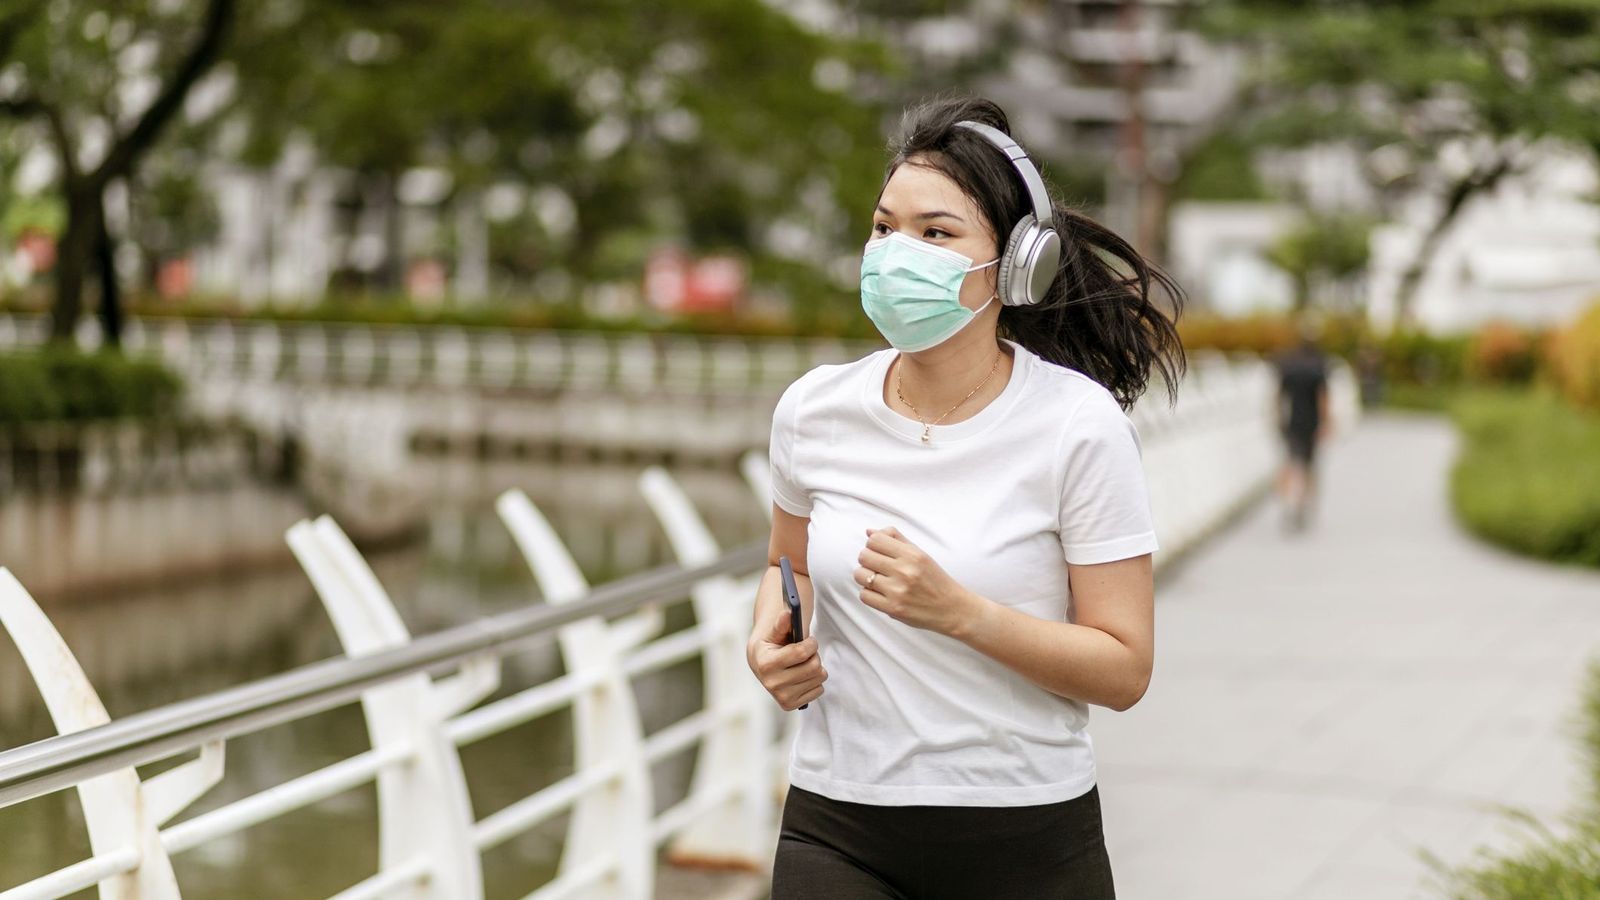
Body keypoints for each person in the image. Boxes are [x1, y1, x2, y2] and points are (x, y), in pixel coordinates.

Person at [745, 96, 1185, 900]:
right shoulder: (814, 410)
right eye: (884, 228)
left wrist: (960, 613)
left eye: (936, 233)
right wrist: (767, 642)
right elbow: (790, 564)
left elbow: (1124, 669)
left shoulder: (1075, 425)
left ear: (1017, 266)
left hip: (1025, 837)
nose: (895, 254)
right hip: (836, 821)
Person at [1273, 323, 1330, 532]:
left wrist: (1278, 418)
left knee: (1290, 462)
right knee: (1308, 466)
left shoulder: (1289, 365)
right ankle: (1303, 504)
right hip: (1311, 423)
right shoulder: (1319, 365)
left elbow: (1279, 396)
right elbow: (1323, 398)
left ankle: (1287, 501)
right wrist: (1326, 423)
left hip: (1292, 421)